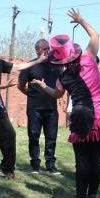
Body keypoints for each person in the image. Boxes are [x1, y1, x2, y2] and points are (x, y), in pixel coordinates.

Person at [32, 9, 100, 198]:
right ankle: (92, 197)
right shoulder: (89, 59)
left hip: (82, 116)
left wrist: (40, 84)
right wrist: (81, 21)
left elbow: (56, 95)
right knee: (96, 157)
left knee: (82, 158)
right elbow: (95, 35)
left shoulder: (63, 77)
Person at [0, 34, 46, 180]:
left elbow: (18, 66)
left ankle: (7, 168)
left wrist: (38, 60)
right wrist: (3, 86)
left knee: (10, 135)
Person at [17, 39, 61, 175]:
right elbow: (20, 85)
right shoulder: (31, 65)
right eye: (44, 48)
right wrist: (30, 94)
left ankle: (50, 165)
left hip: (51, 108)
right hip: (34, 108)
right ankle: (35, 165)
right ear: (37, 50)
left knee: (51, 137)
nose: (48, 50)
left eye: (49, 48)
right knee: (34, 136)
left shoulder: (55, 65)